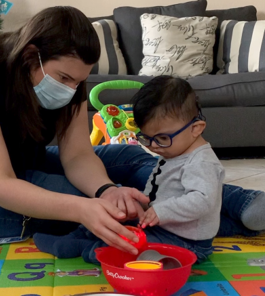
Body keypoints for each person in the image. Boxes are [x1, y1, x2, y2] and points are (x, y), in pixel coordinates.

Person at [0, 6, 263, 259]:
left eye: (78, 82)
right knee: (76, 198)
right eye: (65, 78)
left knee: (126, 159)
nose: (71, 89)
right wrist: (86, 206)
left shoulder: (70, 79)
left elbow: (78, 155)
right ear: (31, 56)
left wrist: (106, 190)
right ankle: (208, 224)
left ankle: (241, 201)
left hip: (28, 163)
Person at [33, 76, 265, 264]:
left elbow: (203, 200)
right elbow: (160, 187)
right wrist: (146, 205)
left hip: (187, 242)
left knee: (132, 251)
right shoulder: (176, 151)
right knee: (116, 223)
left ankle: (87, 249)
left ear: (196, 128)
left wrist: (161, 211)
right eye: (147, 138)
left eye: (162, 138)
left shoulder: (202, 162)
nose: (154, 146)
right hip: (167, 229)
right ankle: (79, 235)